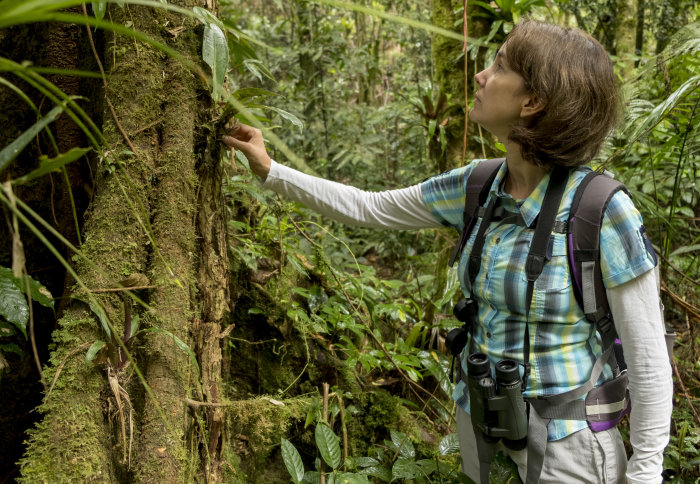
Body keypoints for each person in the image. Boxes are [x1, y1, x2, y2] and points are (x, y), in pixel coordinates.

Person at [223, 19, 672, 484]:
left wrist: (645, 472)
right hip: (481, 424)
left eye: (499, 66)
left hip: (567, 447)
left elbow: (648, 360)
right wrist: (270, 170)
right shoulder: (477, 185)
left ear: (532, 102)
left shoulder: (601, 211)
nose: (480, 75)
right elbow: (370, 207)